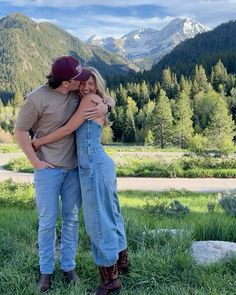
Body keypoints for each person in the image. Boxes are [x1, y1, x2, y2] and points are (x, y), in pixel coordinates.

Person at [15, 57, 111, 293]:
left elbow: (101, 94)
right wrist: (35, 162)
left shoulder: (77, 93)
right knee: (47, 222)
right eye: (78, 79)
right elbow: (19, 131)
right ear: (66, 82)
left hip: (73, 169)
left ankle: (69, 267)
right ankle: (46, 271)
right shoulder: (36, 99)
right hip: (48, 169)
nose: (83, 82)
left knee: (71, 220)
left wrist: (107, 105)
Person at [32, 67, 128, 295]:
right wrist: (108, 104)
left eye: (91, 83)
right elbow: (109, 99)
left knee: (97, 221)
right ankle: (122, 262)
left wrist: (38, 143)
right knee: (112, 213)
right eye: (82, 83)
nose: (86, 87)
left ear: (97, 84)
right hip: (99, 163)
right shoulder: (92, 99)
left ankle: (110, 282)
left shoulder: (89, 100)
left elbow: (67, 129)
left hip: (93, 166)